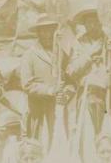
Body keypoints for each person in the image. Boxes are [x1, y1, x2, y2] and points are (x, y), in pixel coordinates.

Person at [67, 4, 111, 133]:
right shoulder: (78, 44)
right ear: (85, 25)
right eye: (89, 23)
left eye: (96, 22)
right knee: (86, 132)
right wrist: (90, 55)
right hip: (87, 92)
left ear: (102, 23)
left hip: (109, 92)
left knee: (108, 134)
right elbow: (71, 71)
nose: (93, 26)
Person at [20, 14, 74, 145]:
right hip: (37, 108)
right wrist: (50, 90)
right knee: (36, 143)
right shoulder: (30, 55)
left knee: (58, 142)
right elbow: (27, 84)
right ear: (38, 33)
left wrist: (66, 94)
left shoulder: (62, 54)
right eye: (43, 31)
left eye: (50, 30)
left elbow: (71, 81)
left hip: (58, 108)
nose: (47, 34)